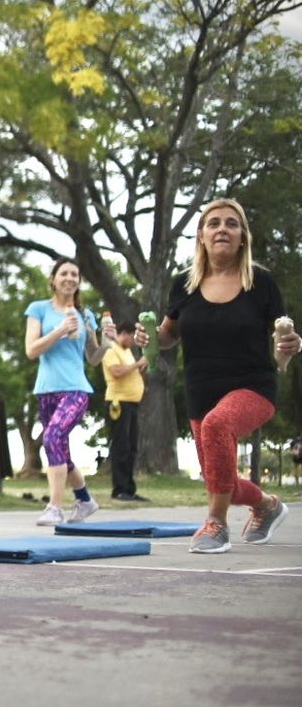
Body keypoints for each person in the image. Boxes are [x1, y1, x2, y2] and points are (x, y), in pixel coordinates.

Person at [155, 198, 297, 553]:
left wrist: (290, 345)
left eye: (231, 223)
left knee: (219, 425)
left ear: (243, 236)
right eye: (213, 223)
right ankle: (267, 505)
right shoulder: (183, 285)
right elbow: (168, 335)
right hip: (201, 392)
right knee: (223, 482)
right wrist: (148, 337)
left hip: (253, 387)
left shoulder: (260, 282)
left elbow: (282, 335)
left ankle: (216, 526)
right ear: (201, 236)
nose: (222, 229)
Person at [24, 258, 116, 526]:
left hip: (76, 390)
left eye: (74, 274)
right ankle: (85, 501)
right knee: (60, 451)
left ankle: (54, 507)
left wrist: (108, 342)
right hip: (46, 390)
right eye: (63, 273)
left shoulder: (86, 316)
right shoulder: (38, 309)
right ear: (53, 280)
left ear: (79, 281)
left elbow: (94, 358)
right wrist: (60, 330)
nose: (69, 278)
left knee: (51, 438)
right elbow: (31, 350)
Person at [102, 320, 149, 502]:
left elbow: (130, 372)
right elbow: (117, 372)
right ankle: (119, 489)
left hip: (132, 403)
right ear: (125, 334)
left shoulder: (127, 351)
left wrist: (140, 369)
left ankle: (129, 488)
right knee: (121, 446)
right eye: (132, 337)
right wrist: (137, 365)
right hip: (118, 402)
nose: (133, 342)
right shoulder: (110, 350)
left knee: (131, 447)